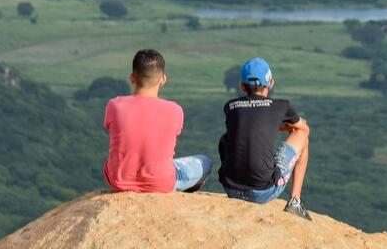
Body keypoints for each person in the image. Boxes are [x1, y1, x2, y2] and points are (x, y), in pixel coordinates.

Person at [104, 49, 212, 193]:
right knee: (205, 161)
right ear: (163, 79)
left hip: (118, 180)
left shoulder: (115, 105)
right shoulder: (175, 110)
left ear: (132, 78)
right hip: (161, 183)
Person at [218, 57, 311, 220]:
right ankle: (295, 201)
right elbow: (304, 129)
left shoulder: (230, 107)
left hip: (230, 189)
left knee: (227, 137)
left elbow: (252, 122)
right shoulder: (281, 106)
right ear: (271, 83)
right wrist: (287, 126)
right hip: (261, 192)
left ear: (242, 86)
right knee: (302, 136)